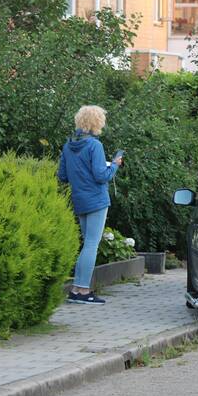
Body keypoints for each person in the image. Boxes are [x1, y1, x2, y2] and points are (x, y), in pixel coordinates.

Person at [57, 105, 123, 304]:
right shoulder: (95, 145)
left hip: (79, 200)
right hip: (96, 200)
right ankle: (83, 291)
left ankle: (76, 289)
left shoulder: (68, 146)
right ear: (97, 123)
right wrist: (115, 165)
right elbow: (101, 175)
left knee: (87, 244)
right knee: (92, 244)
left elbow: (63, 175)